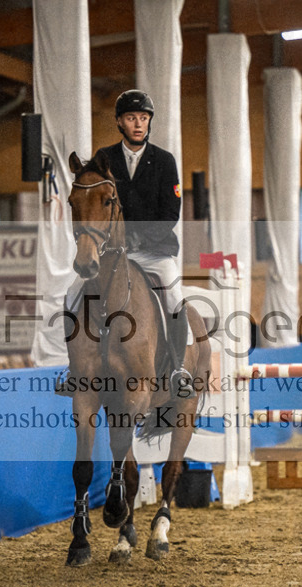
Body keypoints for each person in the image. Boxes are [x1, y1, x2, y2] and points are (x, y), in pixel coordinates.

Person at [66, 89, 193, 397]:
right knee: (71, 295)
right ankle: (74, 371)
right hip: (113, 254)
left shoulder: (164, 161)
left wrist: (140, 236)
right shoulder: (104, 159)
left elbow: (170, 213)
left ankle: (178, 368)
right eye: (131, 118)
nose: (139, 124)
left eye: (144, 118)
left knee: (175, 297)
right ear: (120, 122)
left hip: (154, 252)